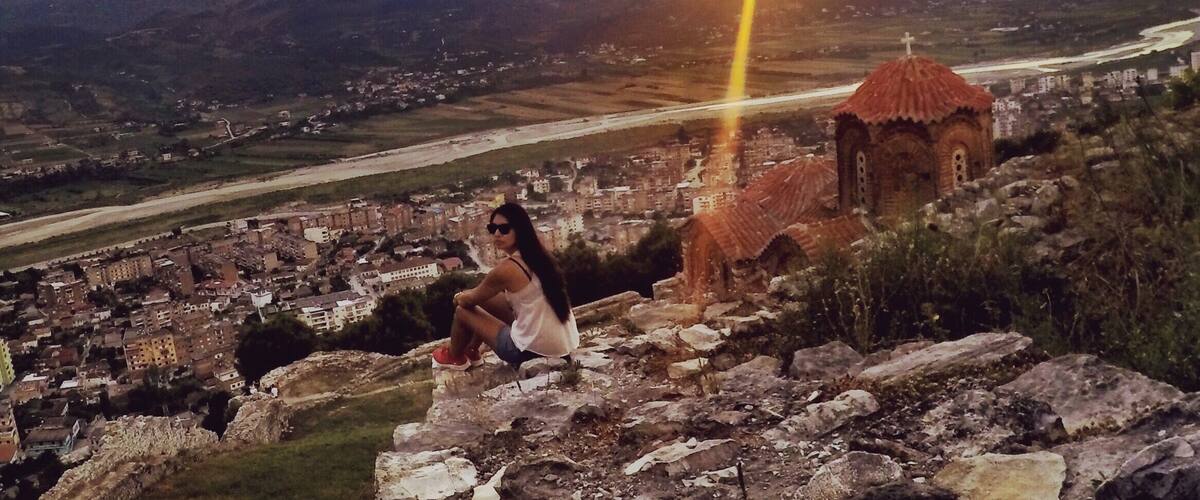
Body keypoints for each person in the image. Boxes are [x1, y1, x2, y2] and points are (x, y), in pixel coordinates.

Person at [432, 203, 580, 370]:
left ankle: (454, 357)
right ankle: (471, 350)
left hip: (529, 352)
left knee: (462, 311)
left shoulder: (507, 269)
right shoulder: (540, 257)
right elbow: (482, 296)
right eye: (492, 228)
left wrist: (458, 296)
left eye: (504, 229)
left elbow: (467, 301)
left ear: (520, 230)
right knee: (485, 298)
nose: (496, 234)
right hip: (563, 347)